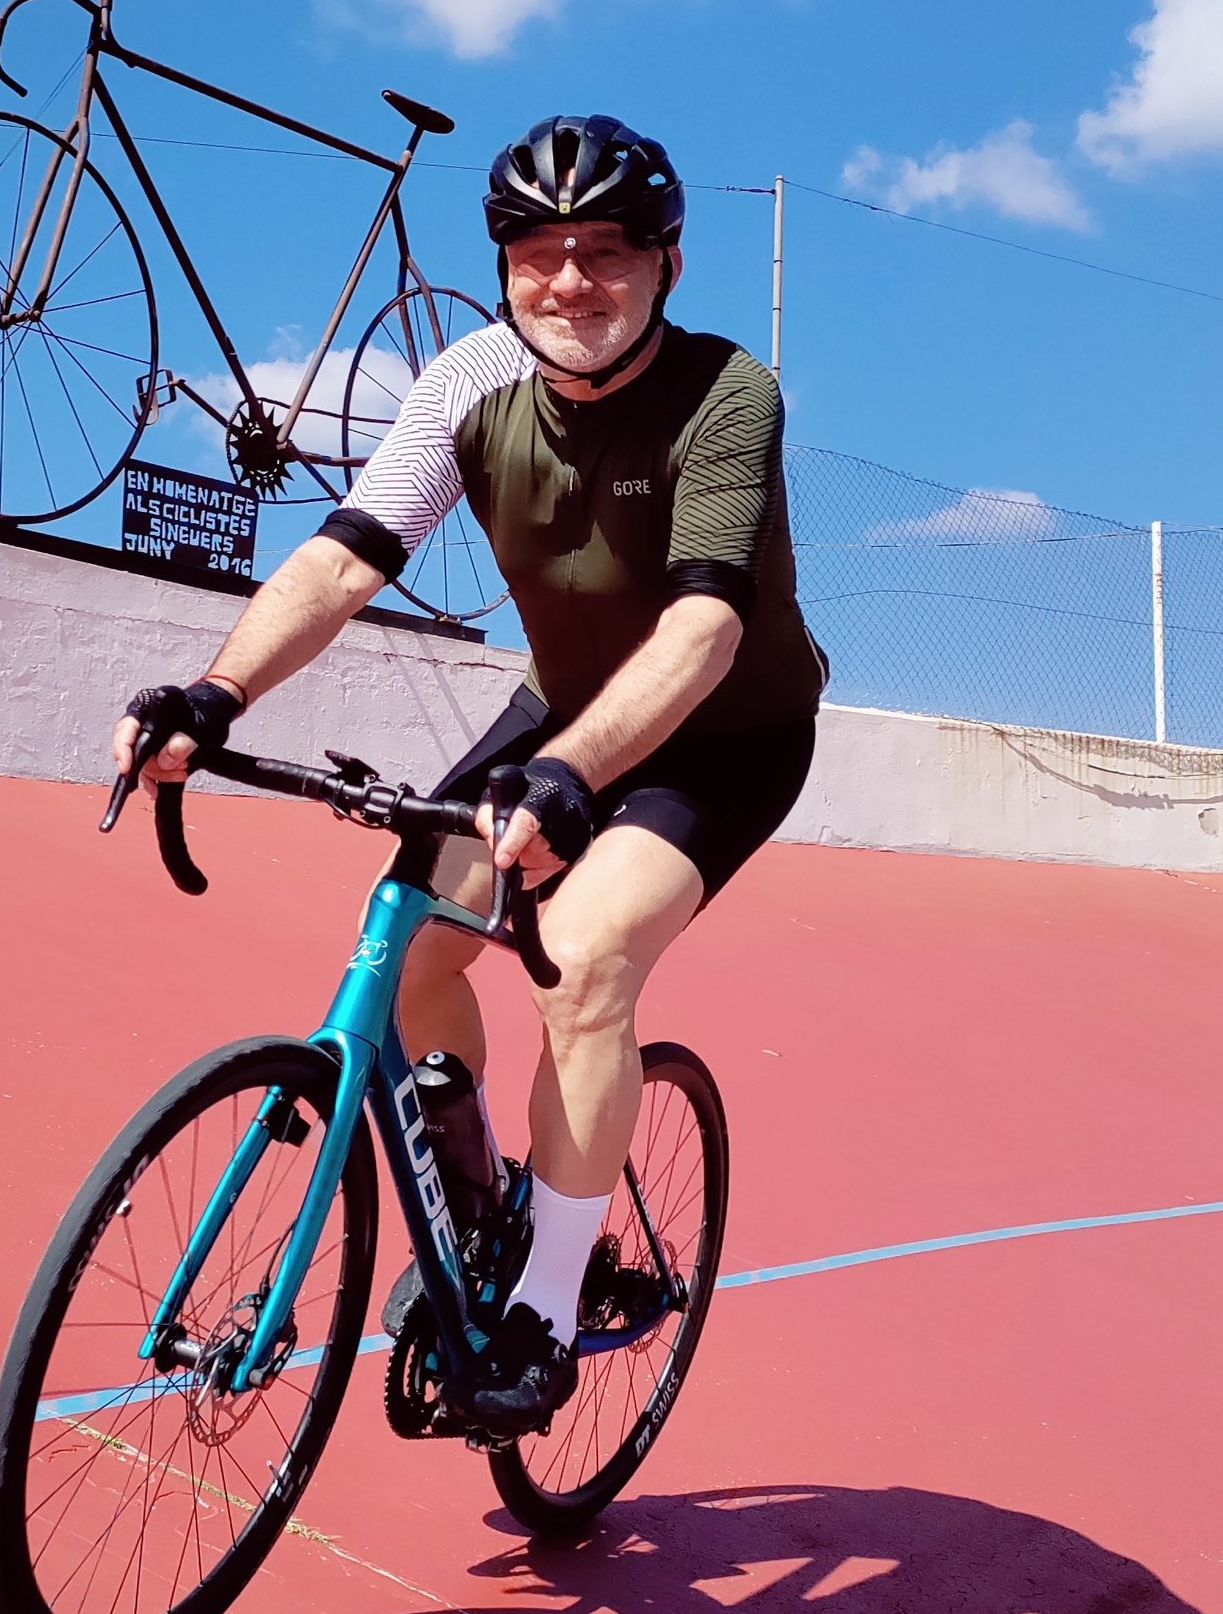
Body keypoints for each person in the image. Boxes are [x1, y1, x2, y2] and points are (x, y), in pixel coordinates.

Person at [112, 113, 828, 1434]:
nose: (571, 282)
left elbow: (703, 628)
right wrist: (217, 695)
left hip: (725, 732)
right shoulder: (468, 382)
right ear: (502, 267)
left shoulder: (728, 391)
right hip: (560, 711)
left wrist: (569, 774)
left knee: (583, 953)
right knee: (414, 946)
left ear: (668, 263)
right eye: (538, 253)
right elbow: (343, 558)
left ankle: (545, 1308)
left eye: (606, 251)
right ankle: (483, 1206)